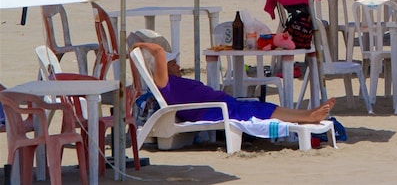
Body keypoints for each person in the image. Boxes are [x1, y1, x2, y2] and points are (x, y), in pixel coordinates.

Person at [133, 42, 333, 124]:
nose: (177, 66)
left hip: (220, 106)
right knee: (257, 108)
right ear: (162, 67)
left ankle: (307, 115)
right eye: (173, 63)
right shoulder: (164, 84)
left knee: (257, 105)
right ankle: (308, 117)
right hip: (213, 111)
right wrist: (137, 46)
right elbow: (158, 51)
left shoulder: (172, 82)